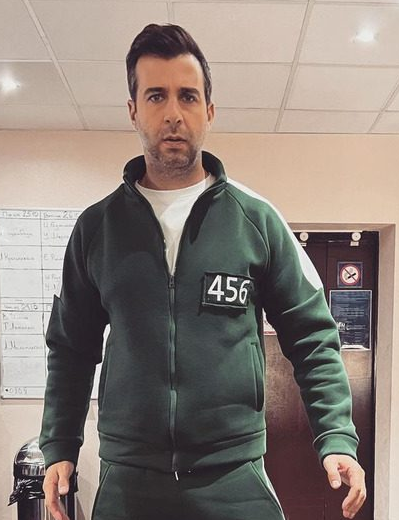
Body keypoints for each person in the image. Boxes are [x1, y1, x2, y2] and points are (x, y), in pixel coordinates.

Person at [40, 23, 366, 520]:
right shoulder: (96, 229)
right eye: (156, 96)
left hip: (234, 477)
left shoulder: (256, 221)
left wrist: (336, 434)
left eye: (188, 96)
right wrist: (60, 443)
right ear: (133, 110)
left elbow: (313, 336)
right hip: (129, 481)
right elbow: (70, 347)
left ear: (209, 111)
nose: (173, 113)